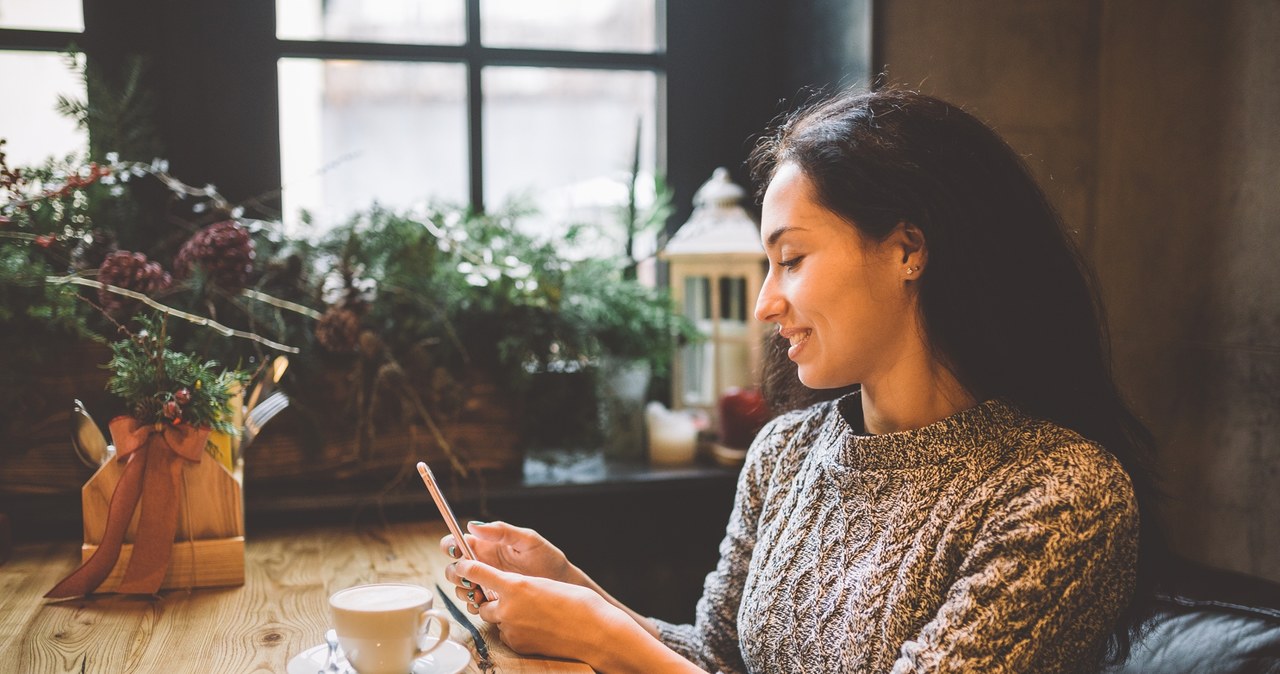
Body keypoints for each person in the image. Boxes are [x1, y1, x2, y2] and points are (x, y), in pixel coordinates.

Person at [441, 88, 1163, 674]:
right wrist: (568, 582)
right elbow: (715, 660)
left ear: (907, 249)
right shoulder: (786, 453)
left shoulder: (1061, 494)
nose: (764, 303)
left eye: (791, 259)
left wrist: (601, 636)